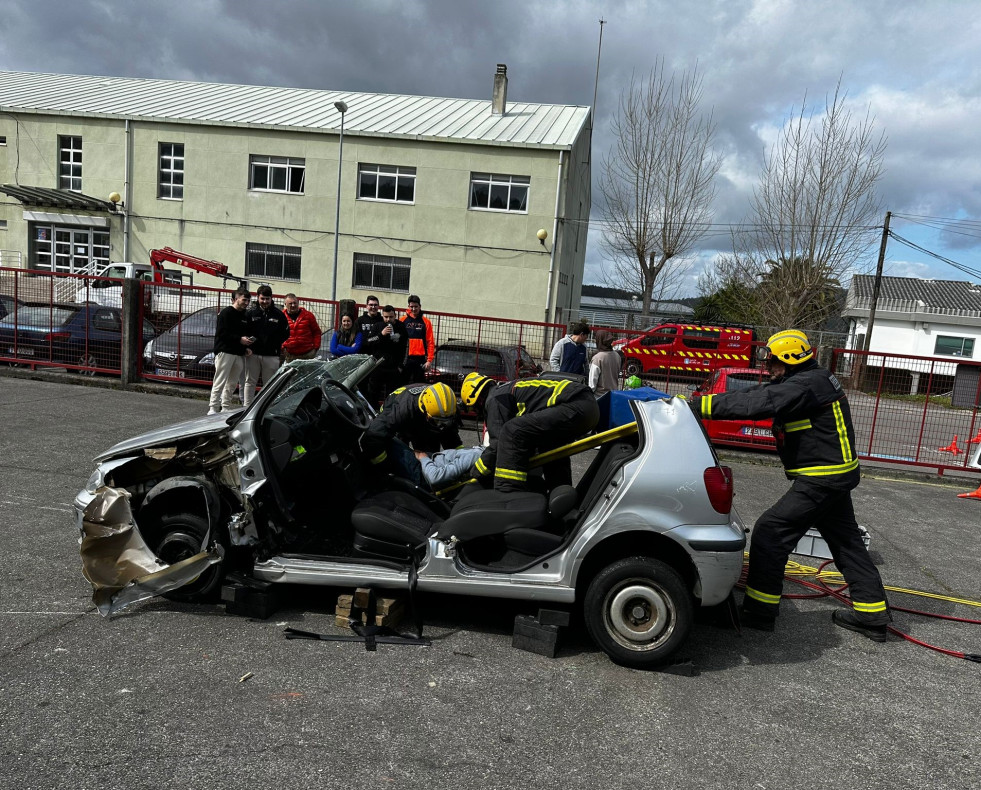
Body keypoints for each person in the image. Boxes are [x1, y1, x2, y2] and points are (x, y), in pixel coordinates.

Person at [696, 329, 891, 641]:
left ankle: (759, 613)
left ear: (788, 358)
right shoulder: (809, 380)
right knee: (847, 544)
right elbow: (752, 396)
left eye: (772, 362)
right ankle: (873, 615)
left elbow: (757, 403)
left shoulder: (805, 384)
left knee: (770, 532)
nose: (768, 367)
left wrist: (697, 407)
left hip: (823, 479)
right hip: (834, 475)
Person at [461, 371, 599, 493]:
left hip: (576, 405)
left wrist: (475, 472)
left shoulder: (495, 399)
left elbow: (497, 444)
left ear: (476, 400)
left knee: (511, 431)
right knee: (550, 448)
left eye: (473, 409)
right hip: (587, 406)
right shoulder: (506, 390)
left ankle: (508, 493)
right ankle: (562, 497)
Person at [362, 382, 463, 484]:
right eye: (438, 421)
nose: (442, 426)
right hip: (401, 426)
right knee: (402, 463)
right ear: (425, 412)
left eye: (446, 421)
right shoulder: (400, 410)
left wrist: (463, 458)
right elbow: (373, 437)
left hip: (423, 422)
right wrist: (385, 466)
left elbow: (451, 438)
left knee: (430, 460)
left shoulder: (448, 408)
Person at [243, 284, 290, 407]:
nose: (264, 301)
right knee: (250, 382)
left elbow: (285, 333)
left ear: (271, 299)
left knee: (269, 384)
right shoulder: (250, 313)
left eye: (267, 299)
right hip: (252, 354)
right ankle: (246, 407)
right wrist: (247, 347)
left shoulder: (279, 315)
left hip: (271, 355)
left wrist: (274, 345)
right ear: (258, 297)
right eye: (262, 298)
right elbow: (244, 331)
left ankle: (265, 408)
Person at [208, 287, 253, 414]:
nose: (246, 303)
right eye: (244, 300)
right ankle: (213, 407)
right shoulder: (226, 313)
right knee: (220, 380)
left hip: (238, 353)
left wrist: (246, 347)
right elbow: (222, 333)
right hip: (225, 351)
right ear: (235, 299)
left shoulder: (244, 316)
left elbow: (245, 334)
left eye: (248, 300)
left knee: (232, 383)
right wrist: (240, 339)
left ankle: (225, 406)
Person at [364, 304, 408, 404]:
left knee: (392, 396)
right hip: (378, 366)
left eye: (391, 317)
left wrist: (401, 366)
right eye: (386, 317)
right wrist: (381, 335)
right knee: (373, 393)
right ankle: (372, 414)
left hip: (394, 368)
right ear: (382, 316)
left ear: (395, 316)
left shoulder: (401, 327)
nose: (388, 319)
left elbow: (406, 347)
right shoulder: (377, 326)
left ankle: (389, 415)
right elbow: (368, 341)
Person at [402, 295, 435, 384]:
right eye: (411, 307)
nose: (413, 309)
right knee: (403, 383)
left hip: (420, 359)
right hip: (406, 358)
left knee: (419, 384)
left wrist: (429, 360)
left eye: (416, 306)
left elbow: (430, 342)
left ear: (420, 306)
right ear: (408, 307)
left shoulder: (426, 322)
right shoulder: (402, 320)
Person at [414, 446, 484, 489]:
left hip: (422, 470)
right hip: (428, 461)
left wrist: (423, 458)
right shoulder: (480, 452)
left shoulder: (476, 455)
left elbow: (435, 477)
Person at [281, 293, 322, 362]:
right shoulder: (281, 317)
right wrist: (283, 348)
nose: (293, 305)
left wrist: (315, 348)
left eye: (295, 303)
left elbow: (317, 332)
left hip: (308, 354)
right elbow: (277, 334)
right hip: (290, 355)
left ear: (298, 302)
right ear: (285, 304)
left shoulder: (308, 316)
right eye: (290, 304)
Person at [588, 330, 622, 396]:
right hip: (613, 395)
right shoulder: (617, 356)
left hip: (599, 396)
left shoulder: (597, 358)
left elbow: (592, 383)